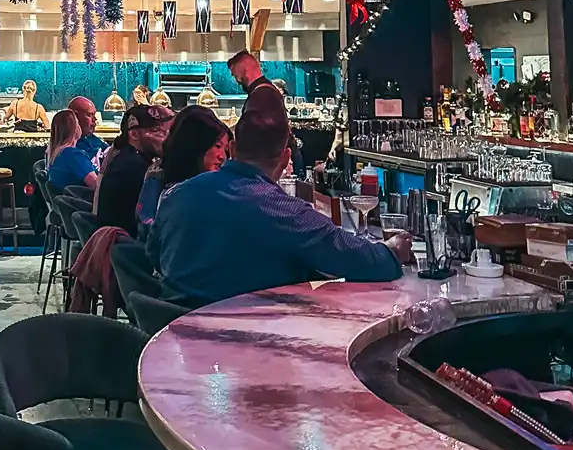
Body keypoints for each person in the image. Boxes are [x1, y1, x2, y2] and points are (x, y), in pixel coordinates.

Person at [153, 84, 407, 309]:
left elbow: (153, 254)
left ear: (231, 148)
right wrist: (393, 250)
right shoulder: (284, 211)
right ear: (286, 158)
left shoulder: (175, 195)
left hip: (172, 338)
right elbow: (363, 260)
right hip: (243, 345)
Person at [137, 106, 231, 228]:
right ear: (196, 145)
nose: (222, 156)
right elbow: (148, 227)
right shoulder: (166, 182)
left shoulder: (217, 183)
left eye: (226, 149)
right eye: (217, 146)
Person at [94, 103, 173, 237]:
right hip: (128, 248)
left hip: (118, 244)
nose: (164, 136)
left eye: (165, 130)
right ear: (134, 134)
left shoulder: (126, 156)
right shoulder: (133, 166)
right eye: (155, 130)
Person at [46, 110, 100, 194]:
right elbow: (98, 186)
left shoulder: (56, 155)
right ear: (74, 129)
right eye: (77, 123)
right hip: (86, 204)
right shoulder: (73, 155)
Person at [66, 96, 104, 162]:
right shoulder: (70, 149)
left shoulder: (91, 138)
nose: (94, 119)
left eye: (94, 114)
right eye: (89, 115)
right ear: (75, 117)